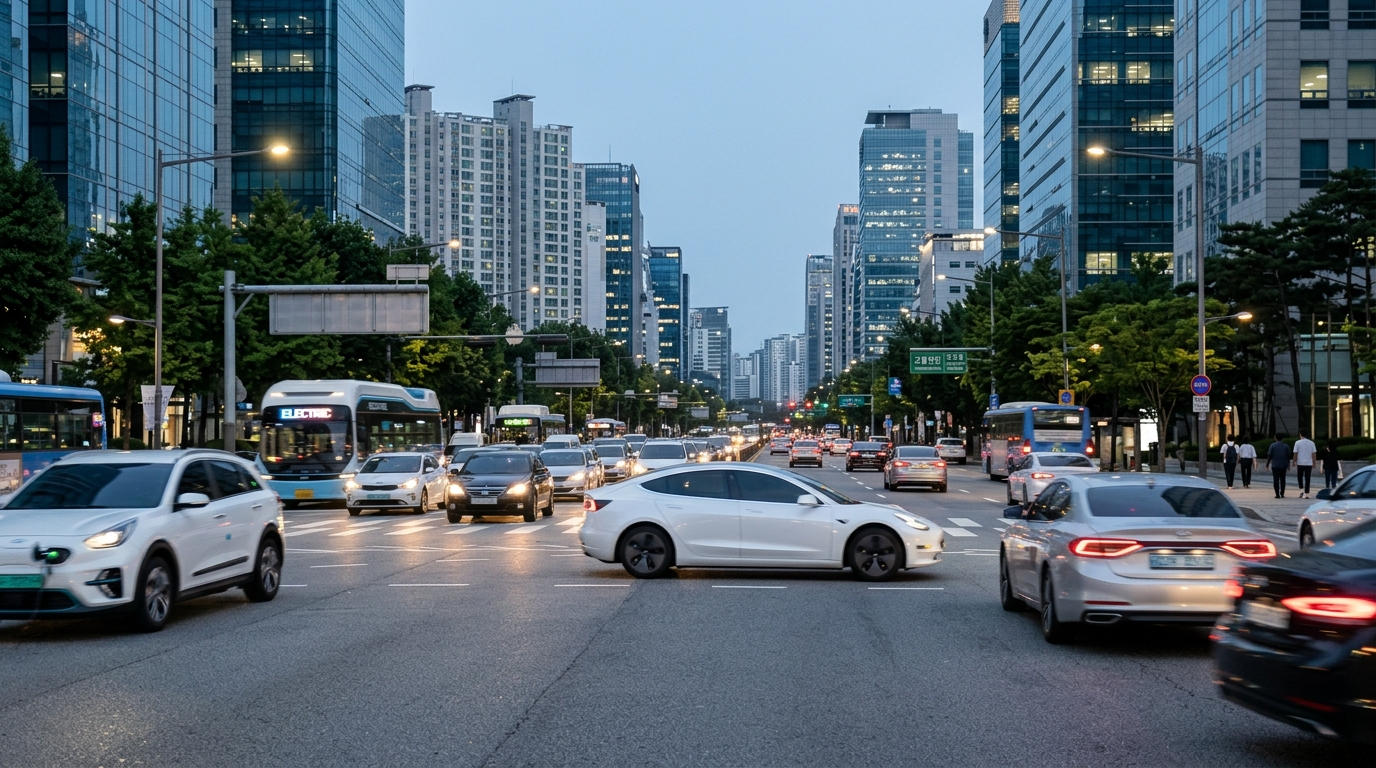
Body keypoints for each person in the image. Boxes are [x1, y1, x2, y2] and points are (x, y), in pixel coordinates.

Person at [1293, 431, 1317, 498]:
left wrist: (1294, 461)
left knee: (1299, 477)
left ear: (1300, 434)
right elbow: (1314, 454)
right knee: (1307, 478)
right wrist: (1314, 462)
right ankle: (1306, 493)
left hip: (1300, 463)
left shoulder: (1297, 442)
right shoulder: (1312, 443)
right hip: (1308, 463)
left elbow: (1295, 453)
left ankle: (1301, 490)